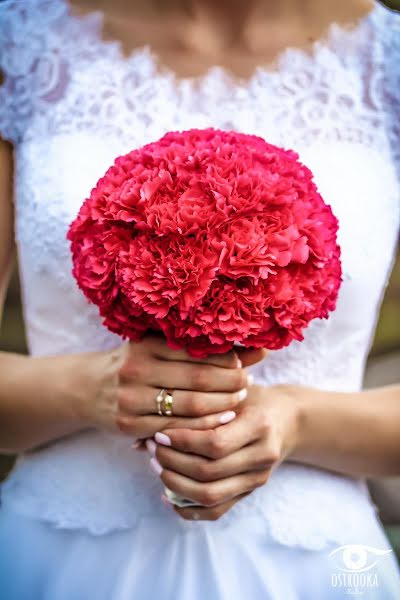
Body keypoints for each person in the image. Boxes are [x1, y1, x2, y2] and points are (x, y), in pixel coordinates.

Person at [0, 0, 399, 598]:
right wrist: (90, 388)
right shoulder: (21, 45)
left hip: (314, 565)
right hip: (64, 553)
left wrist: (295, 419)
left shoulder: (387, 62)